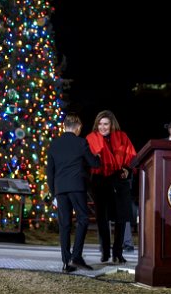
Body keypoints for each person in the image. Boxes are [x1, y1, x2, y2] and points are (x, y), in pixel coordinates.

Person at [46, 113, 100, 273]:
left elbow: (50, 172)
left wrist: (54, 191)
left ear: (64, 126)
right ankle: (76, 256)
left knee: (64, 225)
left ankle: (66, 262)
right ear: (77, 127)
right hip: (76, 187)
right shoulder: (81, 142)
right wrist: (97, 156)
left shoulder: (54, 144)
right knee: (83, 219)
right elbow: (94, 163)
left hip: (60, 189)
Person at [86, 110, 137, 264]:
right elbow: (87, 159)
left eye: (106, 124)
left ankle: (118, 253)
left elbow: (131, 156)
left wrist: (127, 170)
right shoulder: (91, 138)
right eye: (100, 124)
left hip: (119, 179)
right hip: (100, 180)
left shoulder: (122, 137)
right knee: (102, 218)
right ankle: (106, 252)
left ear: (111, 124)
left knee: (121, 218)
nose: (102, 127)